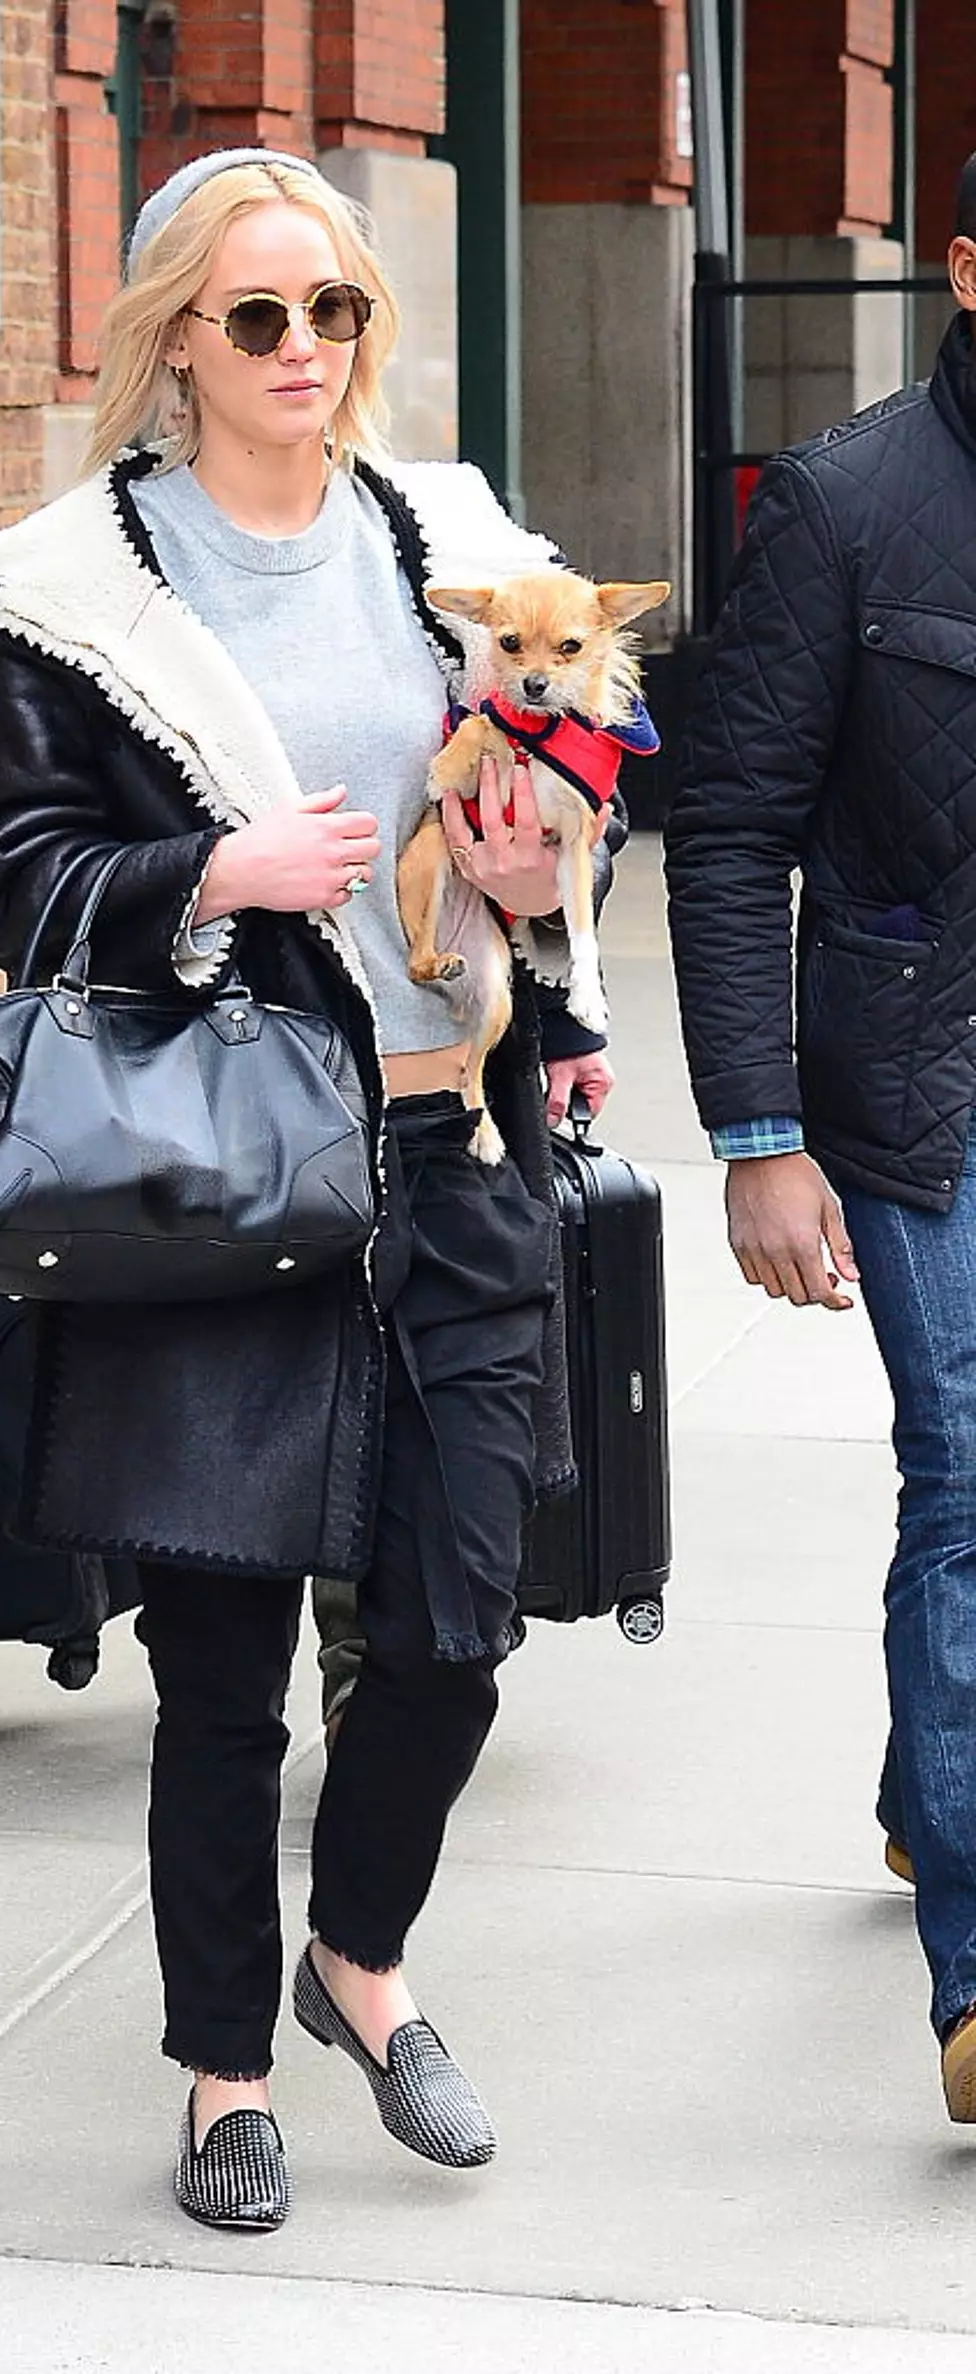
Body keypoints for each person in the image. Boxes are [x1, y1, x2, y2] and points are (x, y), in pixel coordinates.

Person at [0, 148, 611, 2230]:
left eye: (332, 310)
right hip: (219, 1175)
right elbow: (4, 872)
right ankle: (231, 2069)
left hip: (445, 1139)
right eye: (260, 318)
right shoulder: (81, 588)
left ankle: (359, 1944)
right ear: (175, 344)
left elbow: (561, 770)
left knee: (463, 1621)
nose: (306, 349)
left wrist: (540, 888)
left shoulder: (448, 541)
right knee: (223, 1668)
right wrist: (205, 879)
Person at [665, 154, 976, 2122]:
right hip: (918, 1089)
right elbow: (724, 833)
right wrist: (759, 1126)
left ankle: (918, 1786)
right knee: (969, 1473)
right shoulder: (845, 501)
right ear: (965, 264)